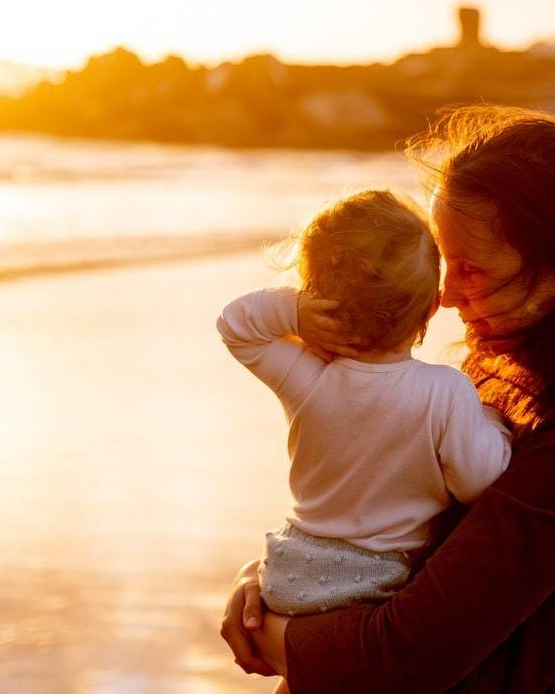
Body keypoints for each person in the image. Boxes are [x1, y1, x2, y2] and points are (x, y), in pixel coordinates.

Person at [220, 105, 555, 693]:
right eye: (443, 261)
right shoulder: (505, 368)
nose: (446, 295)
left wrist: (275, 634)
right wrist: (274, 578)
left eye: (472, 270)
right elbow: (398, 529)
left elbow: (405, 657)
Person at [216, 189, 512, 624]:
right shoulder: (447, 392)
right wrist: (493, 421)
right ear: (431, 306)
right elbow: (477, 480)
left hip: (289, 570)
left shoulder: (307, 377)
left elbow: (236, 326)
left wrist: (293, 314)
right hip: (375, 580)